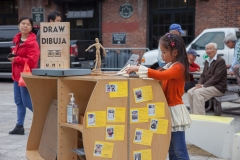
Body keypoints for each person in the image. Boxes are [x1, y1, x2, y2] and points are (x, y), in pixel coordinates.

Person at [126, 33, 191, 160]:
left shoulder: (179, 67)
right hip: (168, 109)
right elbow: (157, 74)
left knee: (179, 151)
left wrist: (139, 68)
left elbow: (161, 75)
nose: (162, 56)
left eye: (164, 52)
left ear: (175, 52)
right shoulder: (170, 65)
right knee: (171, 149)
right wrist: (138, 70)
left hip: (175, 110)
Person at [7, 17, 40, 135]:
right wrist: (14, 58)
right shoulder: (17, 39)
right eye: (23, 23)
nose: (25, 26)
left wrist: (16, 59)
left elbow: (32, 61)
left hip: (26, 76)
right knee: (18, 102)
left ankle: (44, 120)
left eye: (28, 24)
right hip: (17, 75)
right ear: (18, 25)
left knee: (26, 102)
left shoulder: (32, 43)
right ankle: (19, 126)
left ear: (31, 28)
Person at [187, 43, 227, 115]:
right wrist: (199, 84)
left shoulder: (220, 61)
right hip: (207, 86)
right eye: (207, 49)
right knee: (190, 92)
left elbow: (216, 77)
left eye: (211, 48)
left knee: (198, 92)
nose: (209, 50)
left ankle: (200, 117)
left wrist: (203, 86)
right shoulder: (207, 61)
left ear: (216, 50)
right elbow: (203, 76)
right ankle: (194, 115)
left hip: (218, 87)